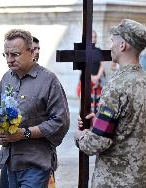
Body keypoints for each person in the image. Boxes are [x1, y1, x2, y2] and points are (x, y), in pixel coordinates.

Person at [75, 19, 146, 187]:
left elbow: (98, 141)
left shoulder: (116, 86)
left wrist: (80, 137)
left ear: (123, 45)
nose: (110, 45)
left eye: (112, 40)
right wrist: (98, 121)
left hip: (115, 180)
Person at [0, 29, 70, 188]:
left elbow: (60, 121)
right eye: (6, 55)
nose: (9, 60)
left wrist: (25, 133)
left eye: (15, 54)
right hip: (8, 162)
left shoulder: (48, 80)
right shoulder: (6, 78)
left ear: (31, 52)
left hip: (35, 164)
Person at [77, 30, 106, 113]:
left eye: (95, 37)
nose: (93, 39)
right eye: (91, 37)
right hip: (86, 81)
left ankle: (95, 125)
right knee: (85, 107)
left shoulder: (98, 50)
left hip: (97, 82)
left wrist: (97, 77)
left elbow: (102, 65)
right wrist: (90, 77)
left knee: (97, 108)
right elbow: (81, 67)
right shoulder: (82, 51)